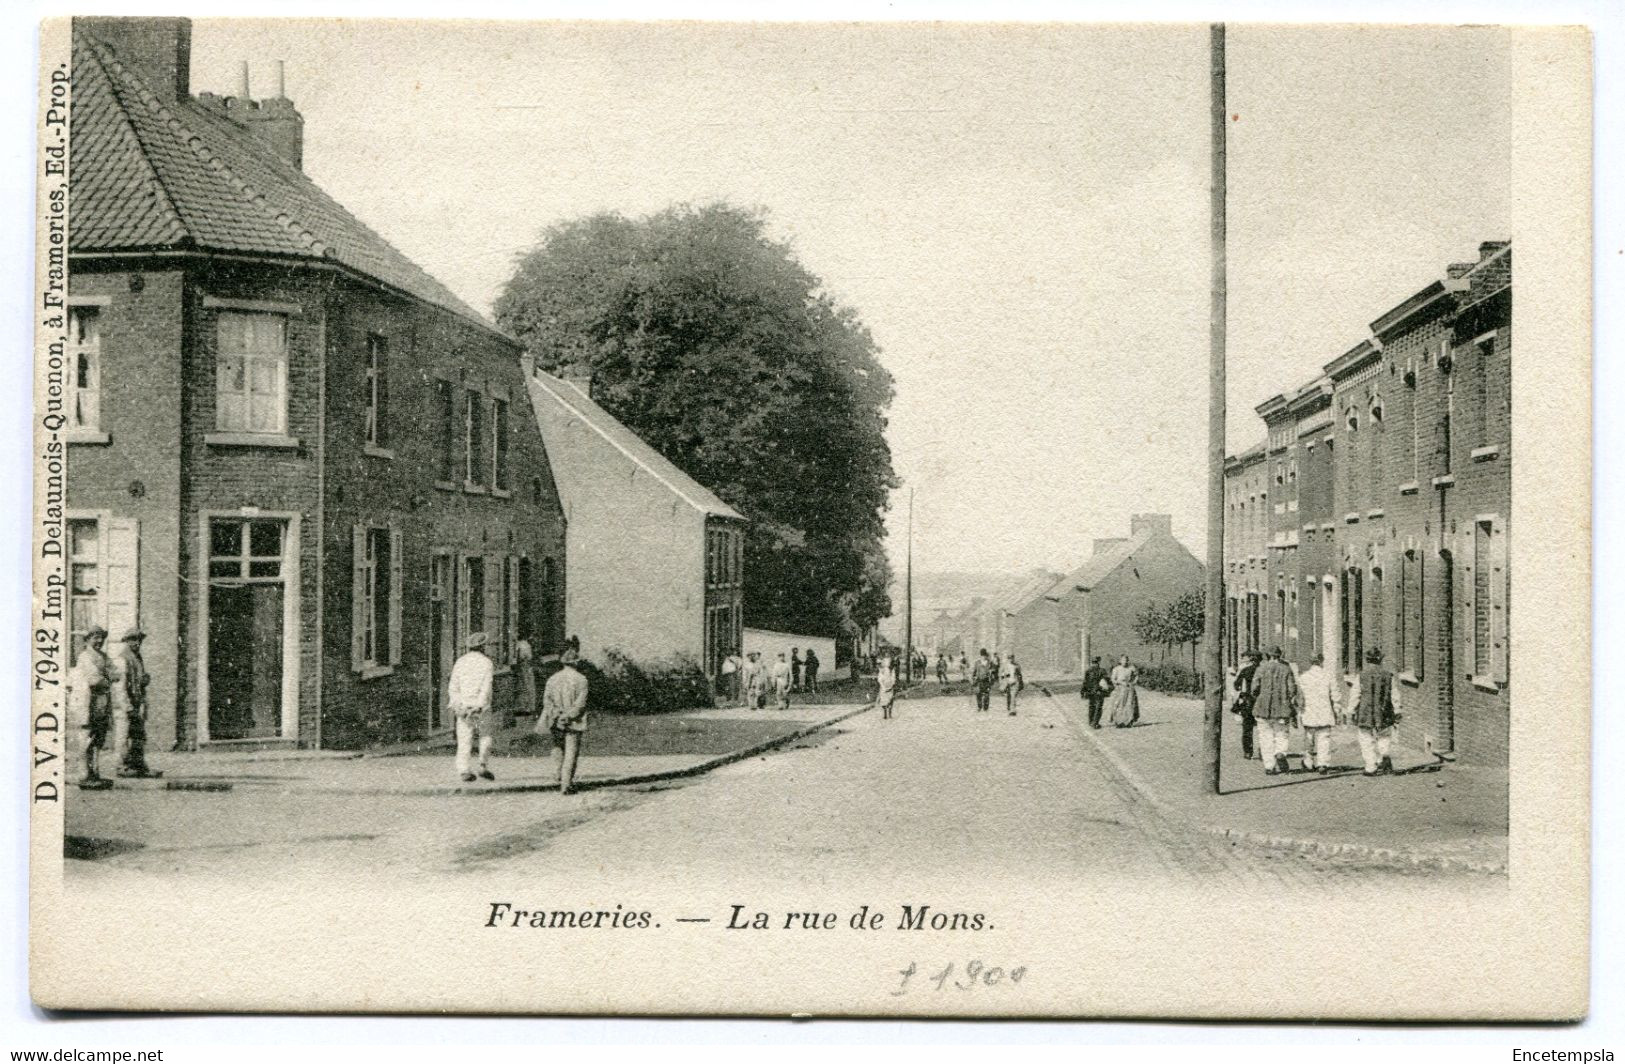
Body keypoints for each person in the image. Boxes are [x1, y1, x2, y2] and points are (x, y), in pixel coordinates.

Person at [539, 646, 589, 794]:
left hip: (556, 720)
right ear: (576, 663)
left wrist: (557, 714)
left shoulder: (552, 679)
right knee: (571, 751)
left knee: (558, 747)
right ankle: (566, 784)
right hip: (574, 721)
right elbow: (581, 703)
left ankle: (557, 775)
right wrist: (569, 715)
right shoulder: (581, 680)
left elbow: (547, 701)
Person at [449, 631, 496, 782]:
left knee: (464, 738)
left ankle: (463, 770)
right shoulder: (486, 663)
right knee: (485, 735)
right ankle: (482, 764)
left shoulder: (460, 662)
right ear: (483, 647)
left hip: (463, 706)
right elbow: (486, 687)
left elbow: (453, 686)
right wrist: (479, 705)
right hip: (481, 708)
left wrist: (457, 704)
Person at [73, 626, 115, 789]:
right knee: (87, 738)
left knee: (98, 738)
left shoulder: (103, 656)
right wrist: (107, 679)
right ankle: (84, 775)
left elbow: (116, 673)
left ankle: (95, 773)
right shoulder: (85, 657)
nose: (99, 641)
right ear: (87, 640)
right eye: (95, 638)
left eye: (101, 638)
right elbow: (94, 679)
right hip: (88, 702)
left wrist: (108, 677)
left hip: (101, 702)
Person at [1250, 645, 1302, 775]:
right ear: (1280, 656)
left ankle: (1269, 766)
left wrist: (1259, 696)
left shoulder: (1261, 669)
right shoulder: (1286, 669)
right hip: (1282, 708)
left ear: (1267, 656)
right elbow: (1292, 690)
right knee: (1282, 733)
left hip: (1263, 708)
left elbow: (1254, 687)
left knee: (1265, 736)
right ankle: (1280, 752)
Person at [1349, 647, 1401, 777]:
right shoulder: (1388, 675)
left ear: (1367, 660)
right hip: (1384, 709)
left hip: (1366, 710)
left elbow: (1355, 694)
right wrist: (1398, 709)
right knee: (1384, 734)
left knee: (1365, 737)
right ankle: (1384, 755)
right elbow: (1395, 694)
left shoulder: (1361, 675)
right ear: (1380, 660)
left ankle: (1370, 767)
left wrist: (1351, 710)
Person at [116, 629, 161, 779]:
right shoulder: (123, 659)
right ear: (127, 641)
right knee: (124, 735)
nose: (137, 643)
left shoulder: (137, 657)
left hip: (137, 701)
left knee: (138, 735)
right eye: (133, 640)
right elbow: (120, 686)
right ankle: (122, 766)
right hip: (126, 704)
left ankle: (138, 765)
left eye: (139, 640)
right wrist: (126, 706)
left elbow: (138, 680)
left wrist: (144, 680)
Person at [1297, 653, 1338, 773]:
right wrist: (1337, 709)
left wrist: (1300, 710)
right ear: (1322, 661)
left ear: (1310, 661)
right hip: (1325, 710)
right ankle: (1322, 763)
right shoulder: (1328, 676)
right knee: (1324, 737)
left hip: (1309, 710)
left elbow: (1300, 697)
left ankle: (1308, 762)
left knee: (1308, 737)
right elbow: (1335, 694)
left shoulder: (1303, 677)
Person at [1232, 650, 1262, 759]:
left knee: (1247, 728)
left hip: (1249, 701)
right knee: (1262, 728)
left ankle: (1248, 752)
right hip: (1261, 701)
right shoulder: (1263, 670)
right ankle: (1263, 750)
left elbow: (1236, 685)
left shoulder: (1246, 670)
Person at [1107, 654, 1141, 727]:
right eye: (1123, 660)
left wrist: (1134, 682)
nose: (1125, 662)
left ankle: (1128, 721)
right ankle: (1119, 722)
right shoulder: (1116, 669)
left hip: (1129, 688)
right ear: (1120, 661)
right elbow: (1113, 679)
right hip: (1120, 689)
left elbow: (1137, 675)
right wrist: (1120, 682)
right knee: (1119, 705)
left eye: (1126, 660)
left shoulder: (1131, 668)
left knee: (1129, 704)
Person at [1081, 656, 1112, 729]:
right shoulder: (1102, 670)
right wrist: (1110, 688)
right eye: (1094, 663)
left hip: (1092, 692)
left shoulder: (1088, 671)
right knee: (1097, 707)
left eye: (1095, 663)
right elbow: (1107, 681)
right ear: (1098, 662)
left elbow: (1085, 683)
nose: (1095, 664)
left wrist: (1083, 692)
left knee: (1092, 707)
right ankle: (1094, 723)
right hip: (1098, 692)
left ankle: (1092, 722)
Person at [512, 638, 538, 719]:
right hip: (525, 667)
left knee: (523, 687)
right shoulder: (525, 645)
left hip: (523, 667)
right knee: (528, 687)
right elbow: (524, 657)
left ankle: (524, 707)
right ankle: (527, 708)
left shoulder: (520, 644)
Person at [876, 652, 898, 720]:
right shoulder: (882, 670)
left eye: (888, 661)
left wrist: (892, 684)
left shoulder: (891, 670)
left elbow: (893, 678)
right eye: (885, 661)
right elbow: (879, 678)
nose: (886, 663)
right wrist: (882, 685)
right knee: (883, 701)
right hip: (883, 686)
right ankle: (885, 714)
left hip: (890, 686)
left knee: (890, 699)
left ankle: (889, 713)